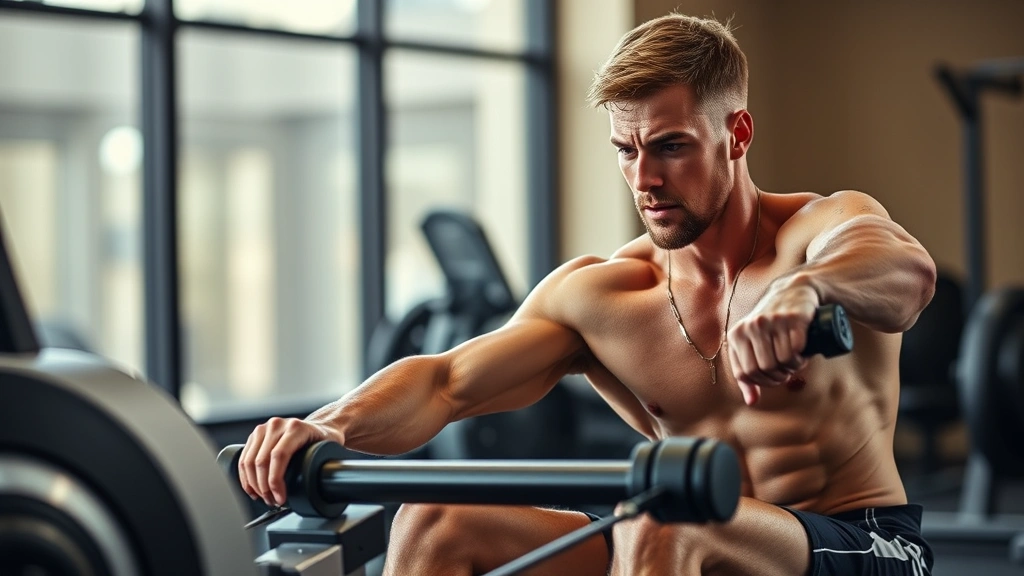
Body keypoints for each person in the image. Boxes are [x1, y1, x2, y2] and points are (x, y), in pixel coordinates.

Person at [238, 12, 937, 576]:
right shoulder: (605, 295)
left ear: (737, 134)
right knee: (434, 517)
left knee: (661, 512)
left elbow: (905, 273)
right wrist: (330, 425)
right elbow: (447, 381)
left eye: (669, 146)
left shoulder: (820, 229)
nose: (645, 180)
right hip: (681, 544)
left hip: (859, 542)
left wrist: (807, 292)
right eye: (626, 151)